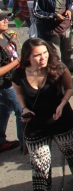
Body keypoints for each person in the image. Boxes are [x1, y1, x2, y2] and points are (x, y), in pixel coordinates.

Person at [12, 38, 73, 190]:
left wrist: (62, 104)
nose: (43, 58)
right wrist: (24, 109)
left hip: (62, 120)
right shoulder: (19, 74)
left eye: (45, 53)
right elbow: (18, 94)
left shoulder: (58, 68)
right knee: (39, 163)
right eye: (37, 55)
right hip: (36, 125)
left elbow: (69, 88)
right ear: (27, 57)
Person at [32, 0, 73, 73]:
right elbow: (36, 12)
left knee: (67, 50)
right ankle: (58, 73)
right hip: (51, 30)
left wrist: (69, 10)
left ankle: (68, 68)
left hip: (66, 27)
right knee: (55, 54)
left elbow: (72, 2)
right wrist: (53, 15)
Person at [0, 11, 22, 153]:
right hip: (5, 84)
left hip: (12, 80)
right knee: (21, 111)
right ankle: (26, 143)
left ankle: (0, 142)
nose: (6, 21)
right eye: (2, 20)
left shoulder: (5, 35)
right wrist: (17, 61)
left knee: (3, 110)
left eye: (5, 18)